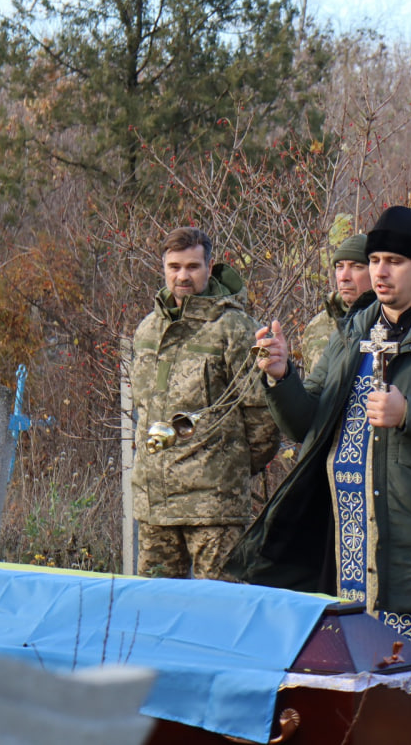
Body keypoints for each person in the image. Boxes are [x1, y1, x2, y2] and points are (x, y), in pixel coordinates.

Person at [234, 206, 411, 745]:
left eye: (395, 261)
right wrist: (281, 376)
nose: (380, 272)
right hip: (350, 554)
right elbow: (308, 423)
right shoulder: (353, 332)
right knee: (361, 711)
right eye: (375, 259)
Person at [130, 226, 279, 580]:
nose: (182, 276)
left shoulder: (234, 328)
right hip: (155, 506)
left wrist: (227, 468)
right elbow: (143, 410)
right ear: (163, 268)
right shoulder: (148, 330)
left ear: (209, 268)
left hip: (214, 509)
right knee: (153, 607)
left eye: (192, 267)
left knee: (221, 606)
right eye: (174, 267)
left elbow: (263, 417)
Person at [302, 234, 370, 373]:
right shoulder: (318, 325)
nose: (344, 277)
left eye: (356, 267)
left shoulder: (391, 320)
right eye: (339, 267)